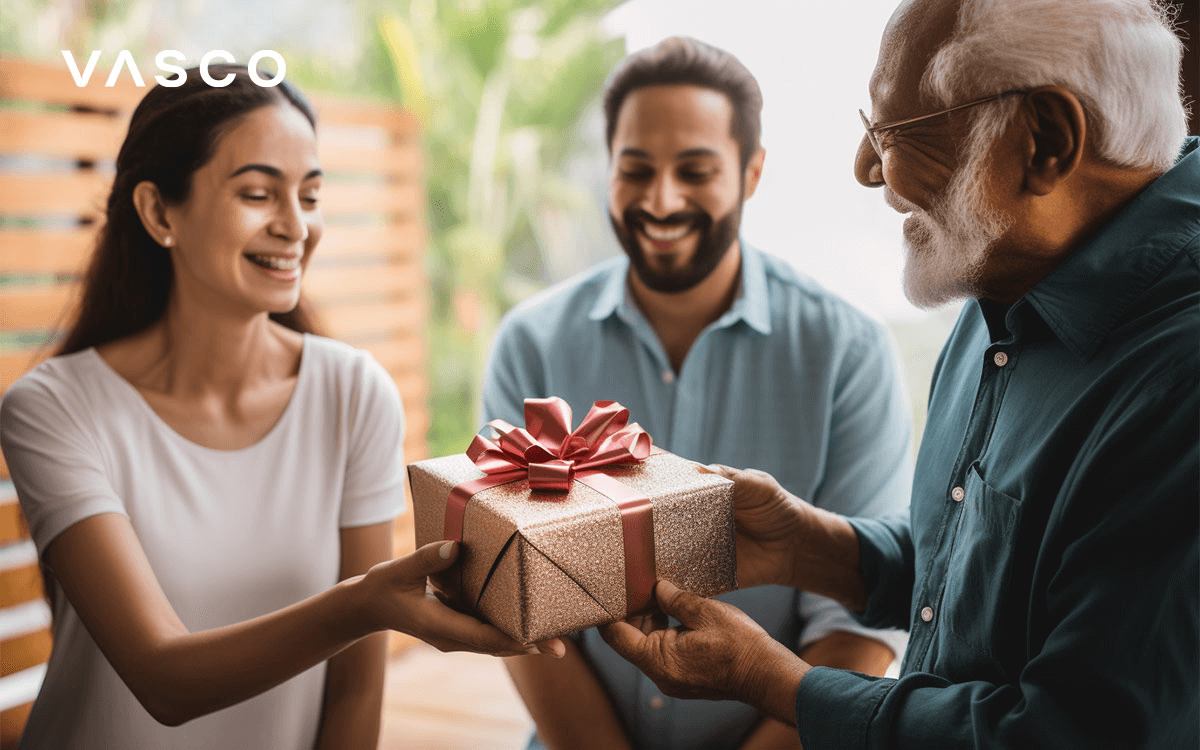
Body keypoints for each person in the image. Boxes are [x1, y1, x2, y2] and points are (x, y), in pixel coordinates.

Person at [598, 0, 1199, 747]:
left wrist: (776, 682)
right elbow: (999, 570)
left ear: (1045, 140)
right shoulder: (1006, 276)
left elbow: (1073, 731)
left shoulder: (1180, 377)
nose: (863, 168)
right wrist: (814, 548)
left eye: (895, 134)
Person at [0, 66, 561, 750]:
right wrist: (363, 605)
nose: (296, 226)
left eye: (312, 194)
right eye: (259, 193)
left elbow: (355, 692)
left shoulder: (353, 394)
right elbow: (161, 678)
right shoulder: (54, 410)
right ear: (158, 212)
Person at [482, 37, 914, 750]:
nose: (661, 199)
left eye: (695, 170)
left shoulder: (847, 352)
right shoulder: (531, 343)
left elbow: (855, 634)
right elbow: (516, 601)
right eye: (636, 169)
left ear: (751, 173)